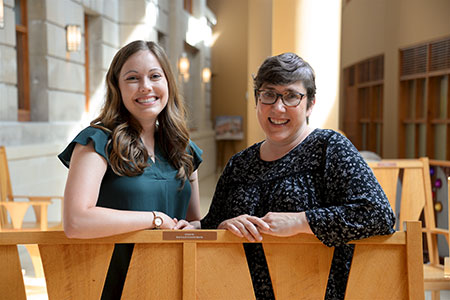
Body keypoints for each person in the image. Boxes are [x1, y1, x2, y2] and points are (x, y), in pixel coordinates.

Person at [201, 52, 395, 299]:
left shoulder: (329, 147)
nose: (278, 107)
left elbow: (378, 214)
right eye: (269, 94)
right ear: (257, 101)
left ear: (310, 104)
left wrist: (301, 222)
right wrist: (224, 225)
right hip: (239, 291)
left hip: (315, 292)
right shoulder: (240, 164)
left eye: (291, 96)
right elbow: (211, 224)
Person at [58, 40, 202, 299]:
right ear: (118, 88)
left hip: (174, 280)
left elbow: (194, 220)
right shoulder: (97, 141)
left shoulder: (184, 148)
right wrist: (155, 218)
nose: (146, 86)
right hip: (112, 282)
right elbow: (76, 221)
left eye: (155, 76)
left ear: (167, 82)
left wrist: (193, 227)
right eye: (133, 78)